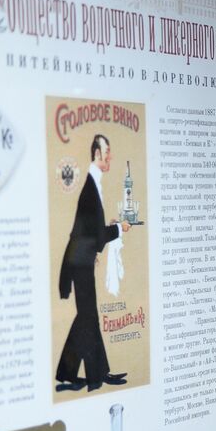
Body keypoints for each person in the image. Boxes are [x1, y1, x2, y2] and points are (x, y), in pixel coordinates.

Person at [57, 134, 129, 392]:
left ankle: (73, 374)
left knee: (86, 318)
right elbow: (96, 236)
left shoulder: (92, 183)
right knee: (88, 318)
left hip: (81, 260)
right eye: (107, 151)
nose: (110, 156)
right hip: (80, 261)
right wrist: (119, 228)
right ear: (97, 154)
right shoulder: (90, 185)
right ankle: (96, 376)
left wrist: (106, 229)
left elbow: (90, 230)